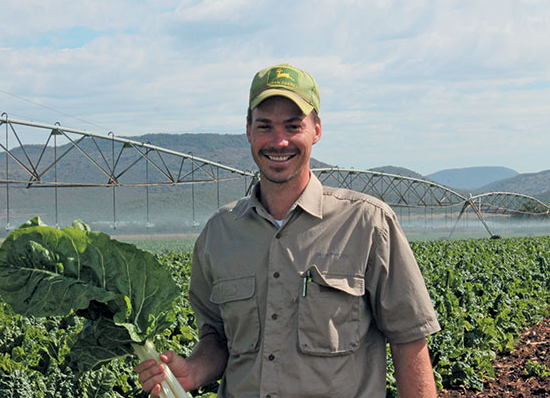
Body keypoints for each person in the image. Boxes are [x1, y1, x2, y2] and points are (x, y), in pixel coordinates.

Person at [136, 64, 441, 397]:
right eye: (265, 126)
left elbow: (409, 340)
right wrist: (192, 370)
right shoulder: (218, 234)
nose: (279, 141)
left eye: (293, 126)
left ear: (316, 130)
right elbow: (218, 339)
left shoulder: (367, 223)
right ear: (249, 131)